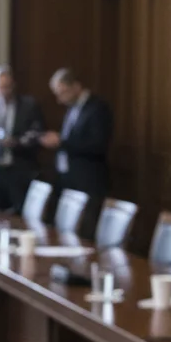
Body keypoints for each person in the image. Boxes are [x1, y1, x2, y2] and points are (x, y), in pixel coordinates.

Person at [40, 67, 112, 232]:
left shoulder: (97, 108)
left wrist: (61, 142)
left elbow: (98, 145)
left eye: (62, 93)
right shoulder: (73, 107)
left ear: (76, 86)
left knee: (85, 232)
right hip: (68, 179)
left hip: (88, 181)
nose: (59, 100)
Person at [0, 65, 45, 212]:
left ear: (13, 85)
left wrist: (16, 142)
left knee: (19, 215)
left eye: (7, 87)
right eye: (0, 87)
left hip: (20, 171)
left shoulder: (28, 106)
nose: (4, 91)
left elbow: (38, 134)